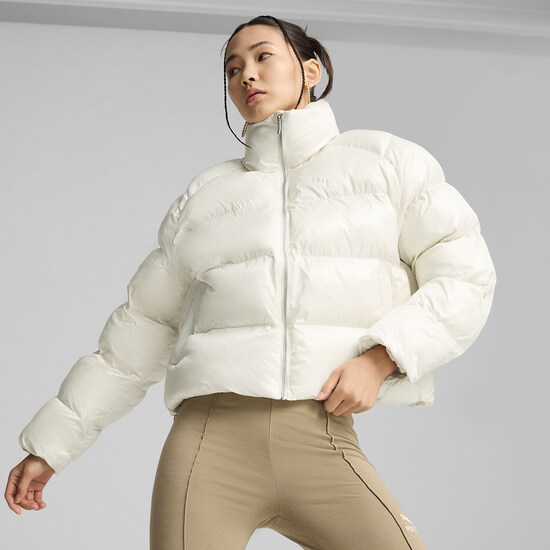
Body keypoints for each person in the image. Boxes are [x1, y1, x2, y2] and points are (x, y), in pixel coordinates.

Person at [5, 14, 497, 550]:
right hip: (208, 447)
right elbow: (137, 335)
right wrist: (51, 446)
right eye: (233, 68)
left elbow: (465, 278)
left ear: (310, 70)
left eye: (263, 57)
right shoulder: (206, 197)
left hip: (322, 437)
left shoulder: (388, 166)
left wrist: (383, 358)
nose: (247, 76)